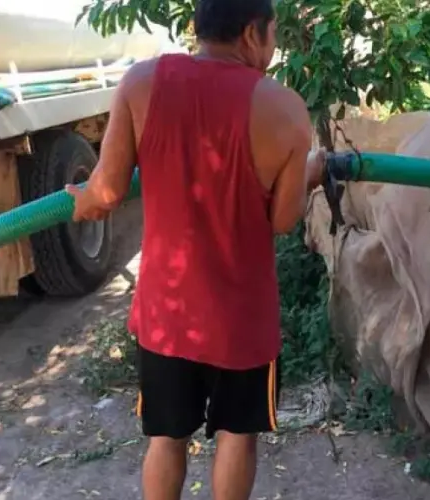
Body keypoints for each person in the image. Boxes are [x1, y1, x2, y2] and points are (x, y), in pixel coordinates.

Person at [65, 0, 326, 498]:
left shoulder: (141, 84)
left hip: (168, 314)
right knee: (236, 437)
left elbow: (105, 193)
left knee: (165, 440)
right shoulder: (285, 109)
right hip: (241, 320)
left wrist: (80, 204)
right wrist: (308, 173)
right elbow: (283, 220)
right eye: (272, 35)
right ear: (253, 33)